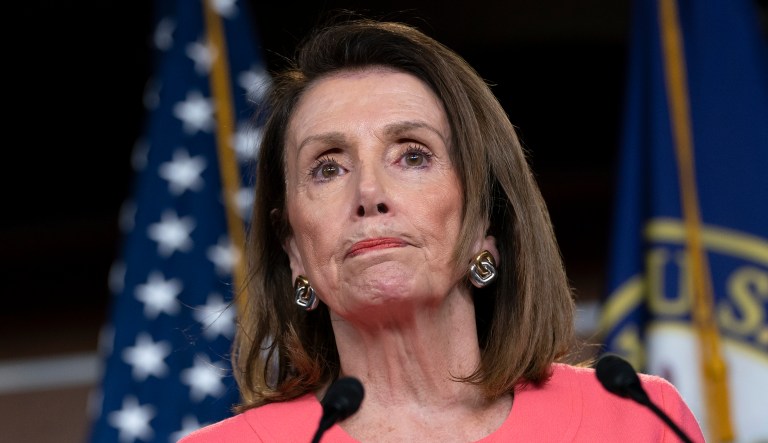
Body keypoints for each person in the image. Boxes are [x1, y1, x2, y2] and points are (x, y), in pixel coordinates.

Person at [180, 17, 705, 442]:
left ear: (485, 221)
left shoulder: (635, 420)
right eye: (327, 167)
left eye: (412, 155)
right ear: (292, 247)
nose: (369, 194)